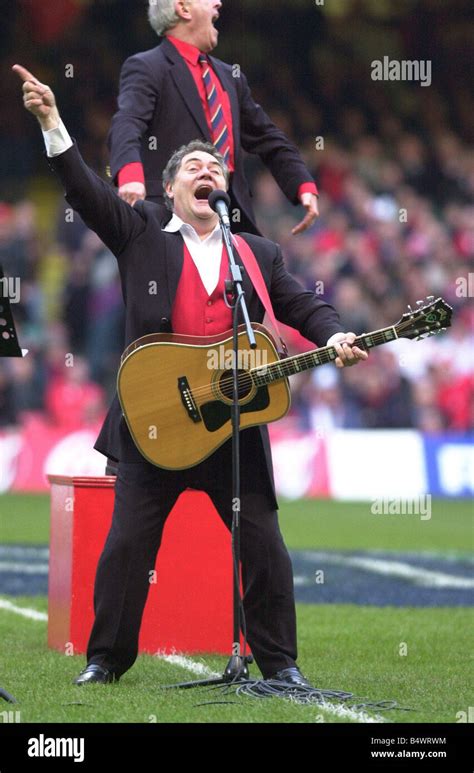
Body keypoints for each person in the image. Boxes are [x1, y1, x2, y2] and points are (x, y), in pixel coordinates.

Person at [13, 63, 368, 687]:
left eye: (216, 168)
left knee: (263, 545)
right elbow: (86, 193)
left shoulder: (253, 251)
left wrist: (334, 332)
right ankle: (106, 659)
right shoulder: (142, 231)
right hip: (155, 421)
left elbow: (298, 303)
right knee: (127, 548)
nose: (207, 173)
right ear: (170, 189)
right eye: (193, 169)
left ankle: (280, 665)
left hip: (232, 422)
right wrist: (52, 122)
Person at [110, 0, 319, 236]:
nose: (218, 2)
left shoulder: (231, 77)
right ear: (183, 8)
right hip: (170, 224)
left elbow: (269, 138)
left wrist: (303, 184)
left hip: (232, 223)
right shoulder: (147, 67)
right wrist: (130, 175)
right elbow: (127, 122)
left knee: (274, 273)